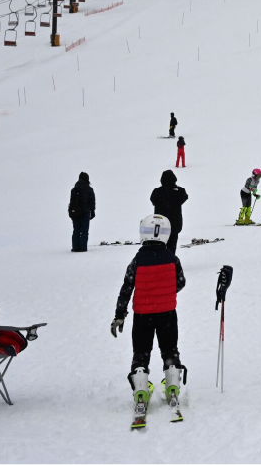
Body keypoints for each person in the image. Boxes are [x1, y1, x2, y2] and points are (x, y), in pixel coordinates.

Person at [111, 214, 187, 422]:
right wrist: (164, 292)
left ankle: (142, 393)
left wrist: (119, 315)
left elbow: (126, 288)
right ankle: (172, 389)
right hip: (168, 314)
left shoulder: (137, 260)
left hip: (142, 316)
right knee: (170, 350)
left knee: (141, 353)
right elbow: (180, 282)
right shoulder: (173, 258)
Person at [150, 170, 189, 253]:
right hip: (175, 223)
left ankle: (161, 262)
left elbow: (153, 200)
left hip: (160, 223)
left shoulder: (157, 192)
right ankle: (171, 262)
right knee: (172, 246)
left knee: (160, 246)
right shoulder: (180, 191)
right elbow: (184, 197)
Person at [69, 172, 96, 252]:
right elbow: (92, 202)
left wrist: (71, 213)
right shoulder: (89, 189)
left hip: (75, 213)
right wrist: (92, 211)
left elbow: (71, 202)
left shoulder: (74, 190)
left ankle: (75, 247)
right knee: (84, 231)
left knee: (76, 230)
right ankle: (83, 248)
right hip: (85, 212)